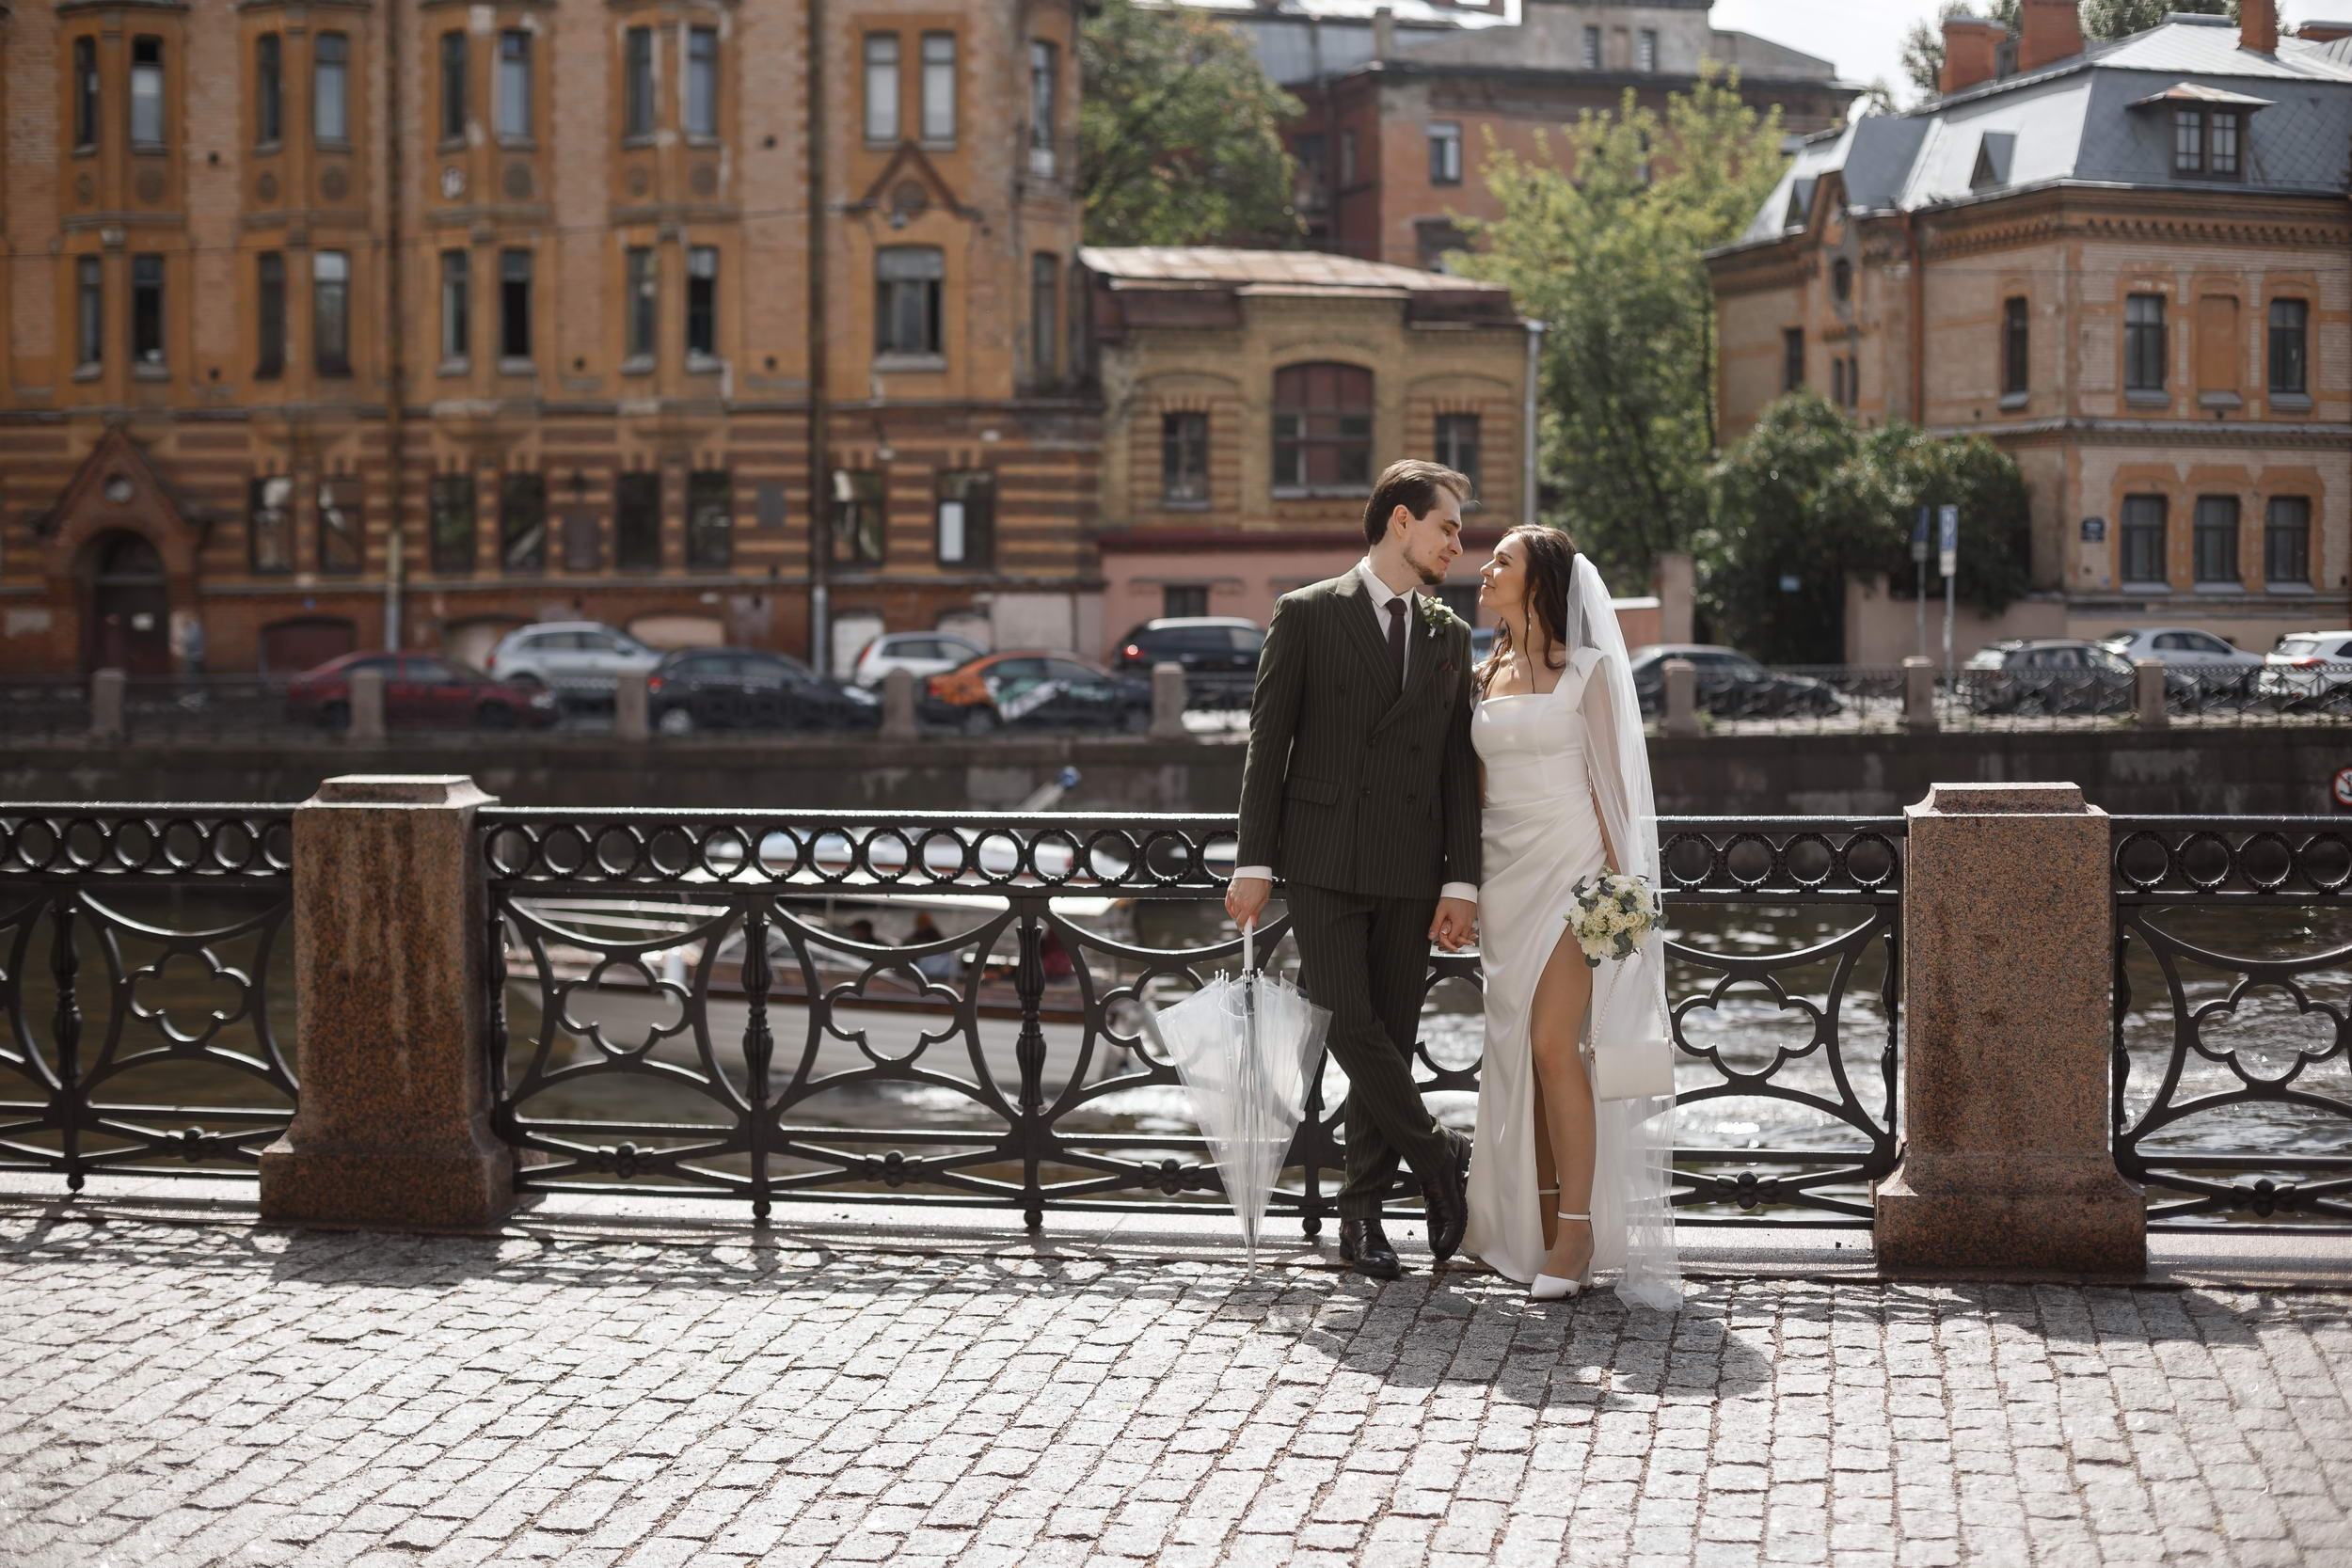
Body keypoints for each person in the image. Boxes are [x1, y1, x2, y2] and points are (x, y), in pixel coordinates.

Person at [1226, 459, 1482, 1280]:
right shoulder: (1306, 612)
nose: (1458, 544)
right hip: (1324, 856)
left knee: (1392, 1037)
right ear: (1401, 521)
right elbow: (1269, 745)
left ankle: (1361, 1216)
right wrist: (1254, 860)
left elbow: (1456, 765)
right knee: (1342, 1016)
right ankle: (1440, 1154)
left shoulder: (1449, 632)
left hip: (1412, 861)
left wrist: (1462, 880)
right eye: (1447, 527)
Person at [1460, 524, 1681, 1310]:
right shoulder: (1485, 672)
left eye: (1502, 561)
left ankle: (1578, 1232)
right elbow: (1477, 793)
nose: (1485, 570)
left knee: (1556, 1043)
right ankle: (1537, 1225)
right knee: (1520, 1056)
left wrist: (1625, 907)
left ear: (1541, 582)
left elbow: (1612, 792)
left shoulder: (1587, 670)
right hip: (1504, 883)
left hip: (1576, 875)